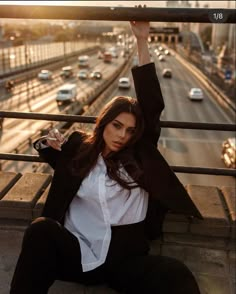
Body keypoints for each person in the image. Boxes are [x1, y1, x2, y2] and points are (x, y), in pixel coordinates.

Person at [10, 20, 202, 294]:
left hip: (126, 260)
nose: (123, 135)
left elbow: (150, 103)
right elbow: (57, 159)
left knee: (175, 274)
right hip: (79, 253)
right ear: (104, 123)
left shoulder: (139, 154)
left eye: (130, 130)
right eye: (117, 126)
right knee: (40, 230)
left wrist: (142, 42)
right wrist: (47, 143)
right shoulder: (80, 148)